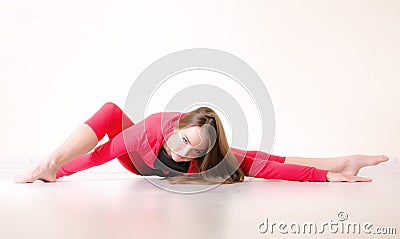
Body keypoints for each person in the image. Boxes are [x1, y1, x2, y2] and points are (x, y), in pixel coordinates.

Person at [15, 102, 389, 184]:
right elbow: (99, 156)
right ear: (175, 126)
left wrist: (329, 173)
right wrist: (57, 171)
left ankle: (343, 160)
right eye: (182, 141)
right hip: (137, 160)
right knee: (111, 112)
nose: (183, 152)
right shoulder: (146, 132)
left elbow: (269, 163)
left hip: (159, 164)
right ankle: (50, 161)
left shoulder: (212, 155)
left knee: (257, 158)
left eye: (196, 150)